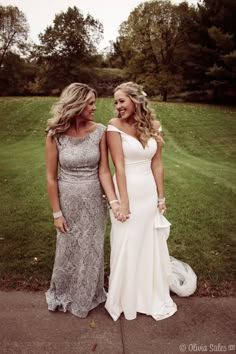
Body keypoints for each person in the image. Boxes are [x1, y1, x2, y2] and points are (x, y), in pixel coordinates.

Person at [105, 81, 197, 321]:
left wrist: (160, 197)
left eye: (122, 101)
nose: (118, 106)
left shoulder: (154, 126)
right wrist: (123, 203)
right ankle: (126, 298)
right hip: (126, 189)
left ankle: (148, 294)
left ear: (136, 100)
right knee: (126, 241)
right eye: (116, 102)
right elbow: (119, 166)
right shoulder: (114, 126)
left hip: (147, 192)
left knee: (148, 243)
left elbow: (157, 163)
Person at [45, 82, 120, 318]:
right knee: (68, 246)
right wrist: (57, 213)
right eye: (89, 103)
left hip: (93, 201)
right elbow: (50, 177)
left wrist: (114, 201)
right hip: (68, 200)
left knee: (91, 247)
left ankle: (88, 294)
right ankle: (64, 291)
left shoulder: (100, 131)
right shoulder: (55, 135)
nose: (95, 107)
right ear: (76, 104)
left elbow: (104, 171)